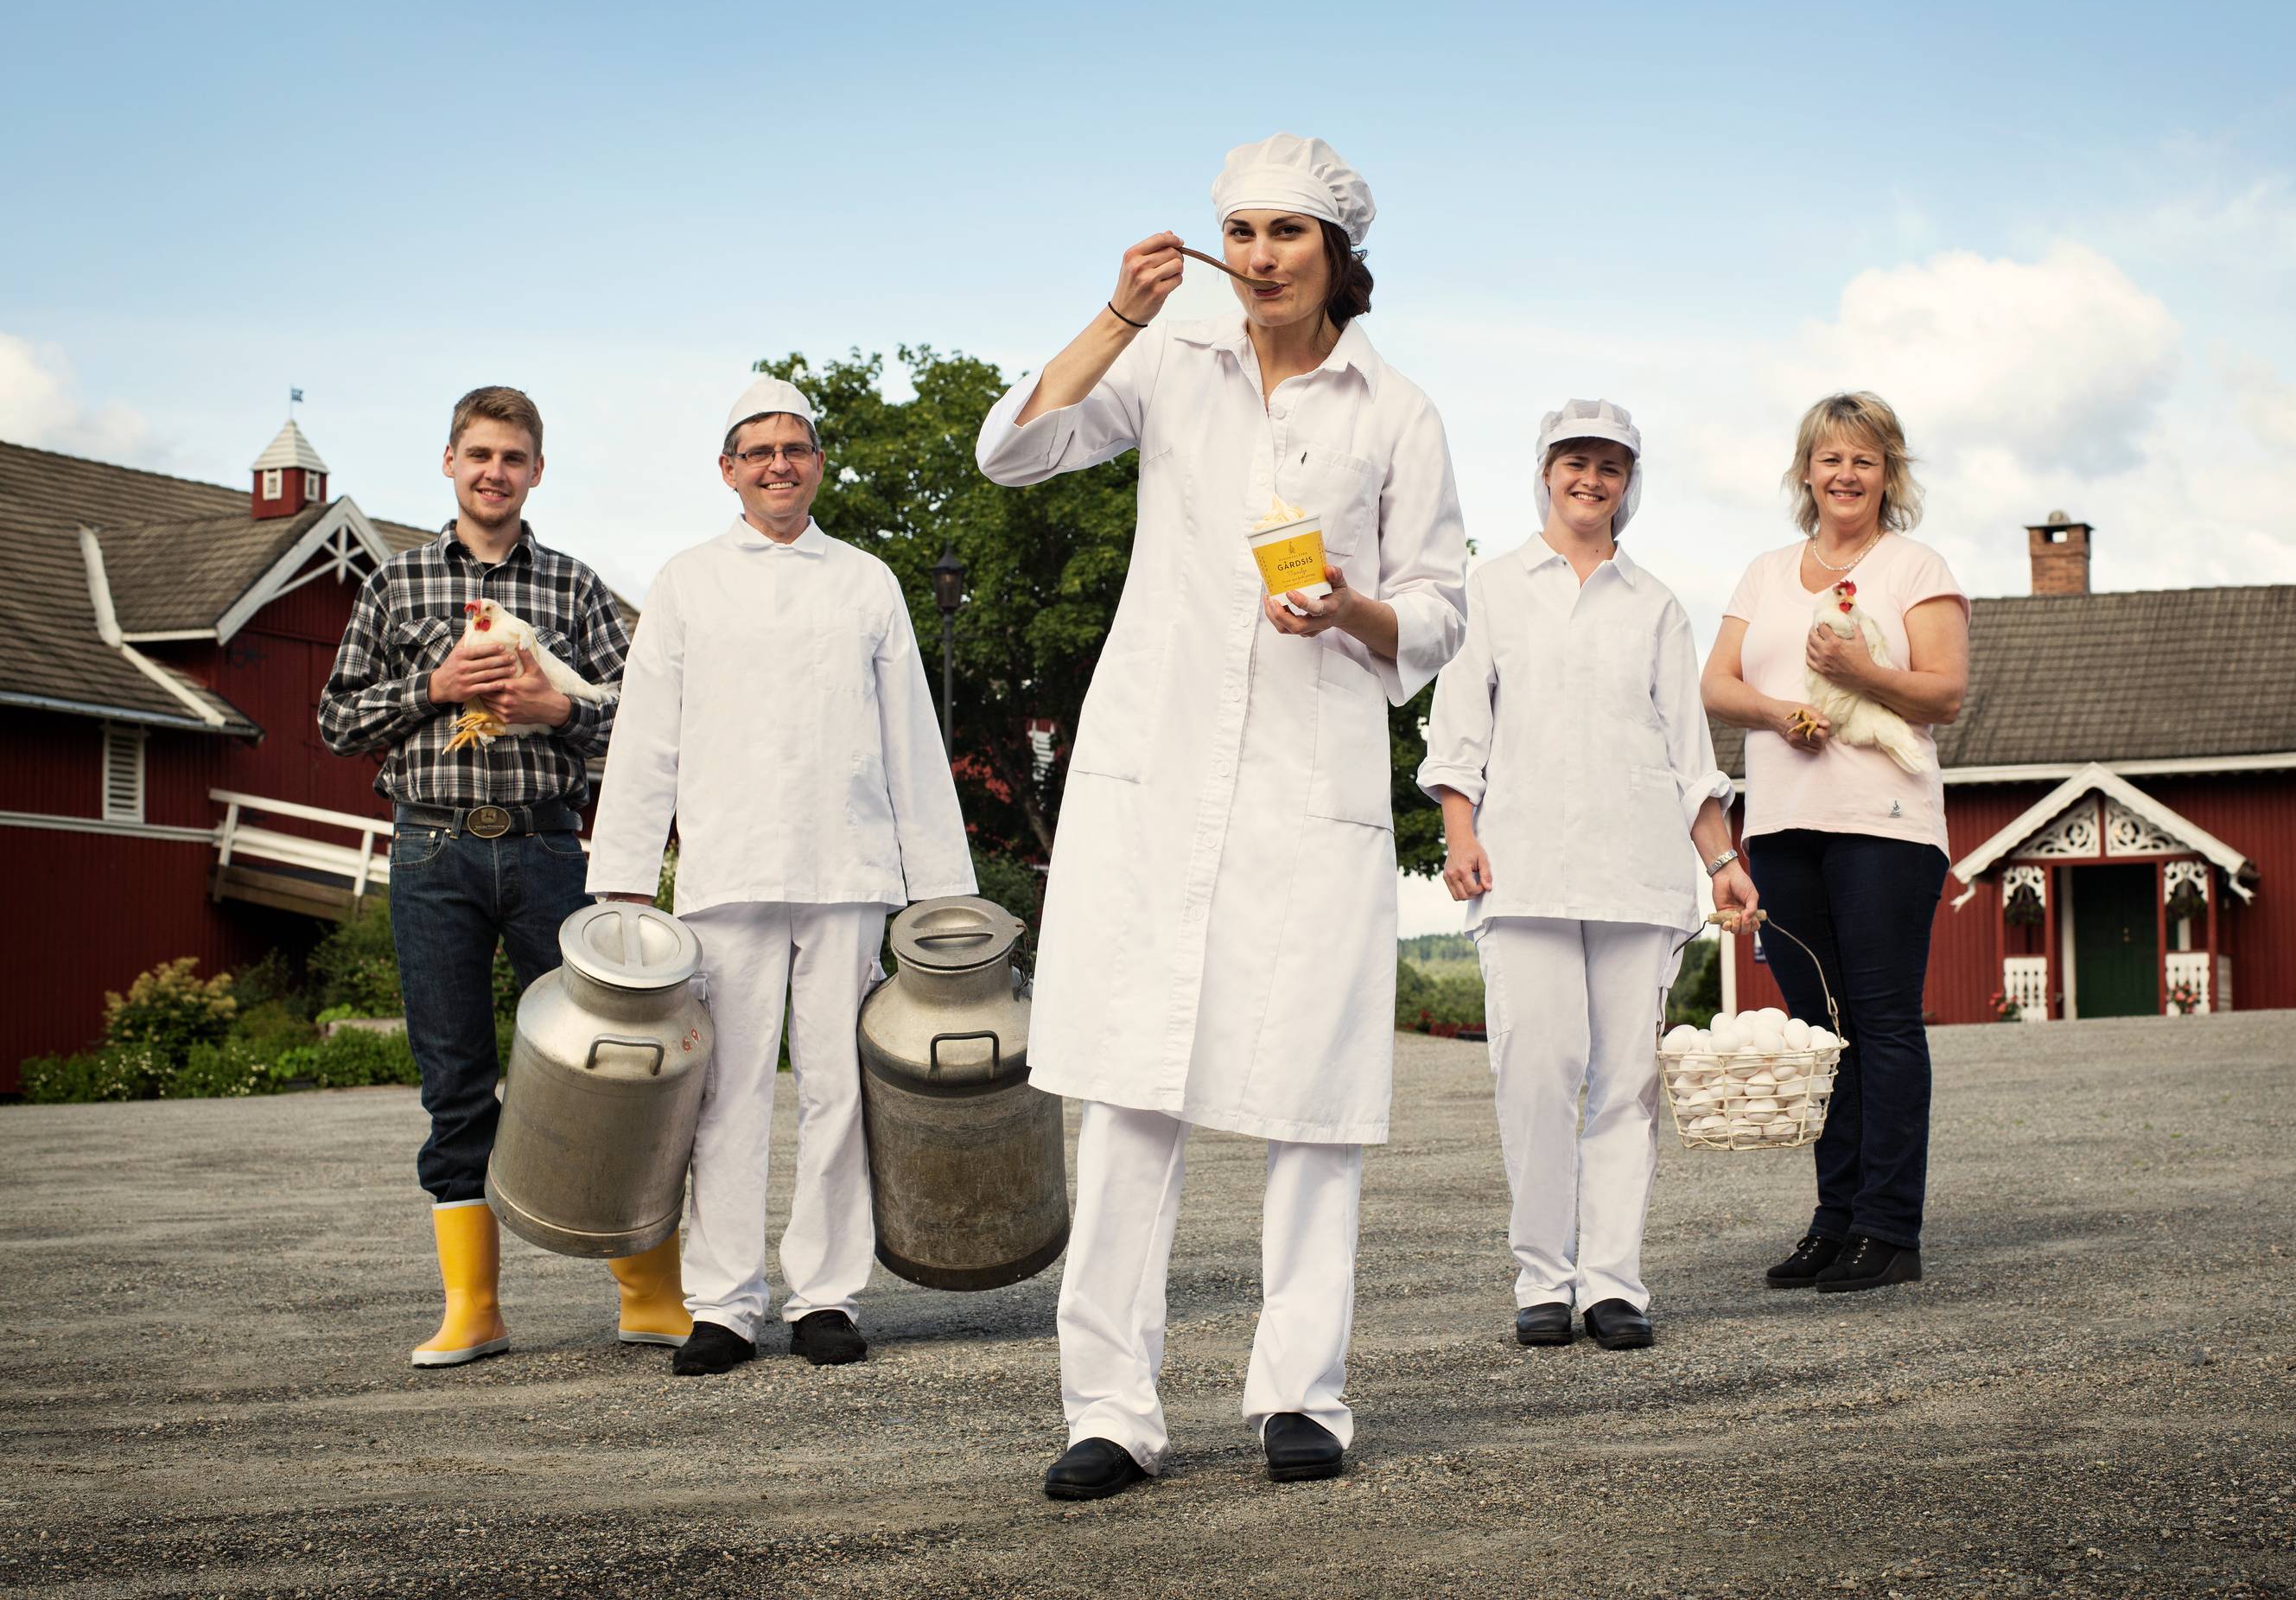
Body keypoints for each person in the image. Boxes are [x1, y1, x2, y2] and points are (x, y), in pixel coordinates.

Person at [975, 134, 1468, 1497]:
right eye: (1240, 233)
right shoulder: (1168, 366)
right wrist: (1120, 312)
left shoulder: (1396, 411)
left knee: (1309, 1097)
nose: (1258, 258)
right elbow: (1011, 448)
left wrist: (1356, 608)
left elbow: (1440, 601)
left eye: (1287, 235)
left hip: (1308, 781)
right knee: (1133, 1091)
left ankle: (1301, 1397)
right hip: (1158, 769)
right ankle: (1109, 1410)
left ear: (1336, 256)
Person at [587, 377, 976, 1376]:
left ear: (816, 463)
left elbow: (911, 745)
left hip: (847, 864)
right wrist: (624, 881)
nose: (777, 465)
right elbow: (646, 741)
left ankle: (827, 1295)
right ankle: (723, 1303)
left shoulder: (867, 581)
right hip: (729, 864)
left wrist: (941, 891)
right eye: (756, 451)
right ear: (728, 470)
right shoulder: (686, 582)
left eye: (793, 448)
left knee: (841, 1088)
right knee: (726, 1091)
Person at [319, 385, 681, 1366]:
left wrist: (557, 712)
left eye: (512, 457)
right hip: (432, 848)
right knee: (457, 1081)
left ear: (536, 471)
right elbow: (336, 721)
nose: (494, 471)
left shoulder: (572, 586)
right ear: (449, 461)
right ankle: (473, 1308)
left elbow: (645, 717)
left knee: (612, 1064)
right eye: (478, 454)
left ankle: (648, 1293)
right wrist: (434, 687)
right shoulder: (395, 586)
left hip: (548, 845)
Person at [1420, 399, 1758, 1350]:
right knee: (1535, 1072)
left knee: (1625, 1084)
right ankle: (1542, 1280)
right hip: (1519, 869)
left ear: (1629, 483)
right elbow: (1459, 732)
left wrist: (1722, 862)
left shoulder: (1654, 605)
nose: (1591, 479)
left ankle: (1613, 1283)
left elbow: (1689, 755)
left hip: (1636, 870)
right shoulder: (1490, 590)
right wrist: (1461, 831)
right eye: (1576, 461)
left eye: (1610, 465)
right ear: (1545, 471)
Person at [1698, 392, 1969, 1293]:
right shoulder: (1767, 573)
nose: (1846, 474)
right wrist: (1782, 711)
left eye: (1865, 459)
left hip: (1883, 827)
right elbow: (1717, 685)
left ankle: (1890, 1231)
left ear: (1889, 474)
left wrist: (1861, 675)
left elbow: (1943, 694)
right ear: (1805, 473)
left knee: (1882, 1022)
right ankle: (1835, 1218)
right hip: (1780, 826)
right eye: (1830, 459)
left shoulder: (1915, 567)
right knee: (1821, 1031)